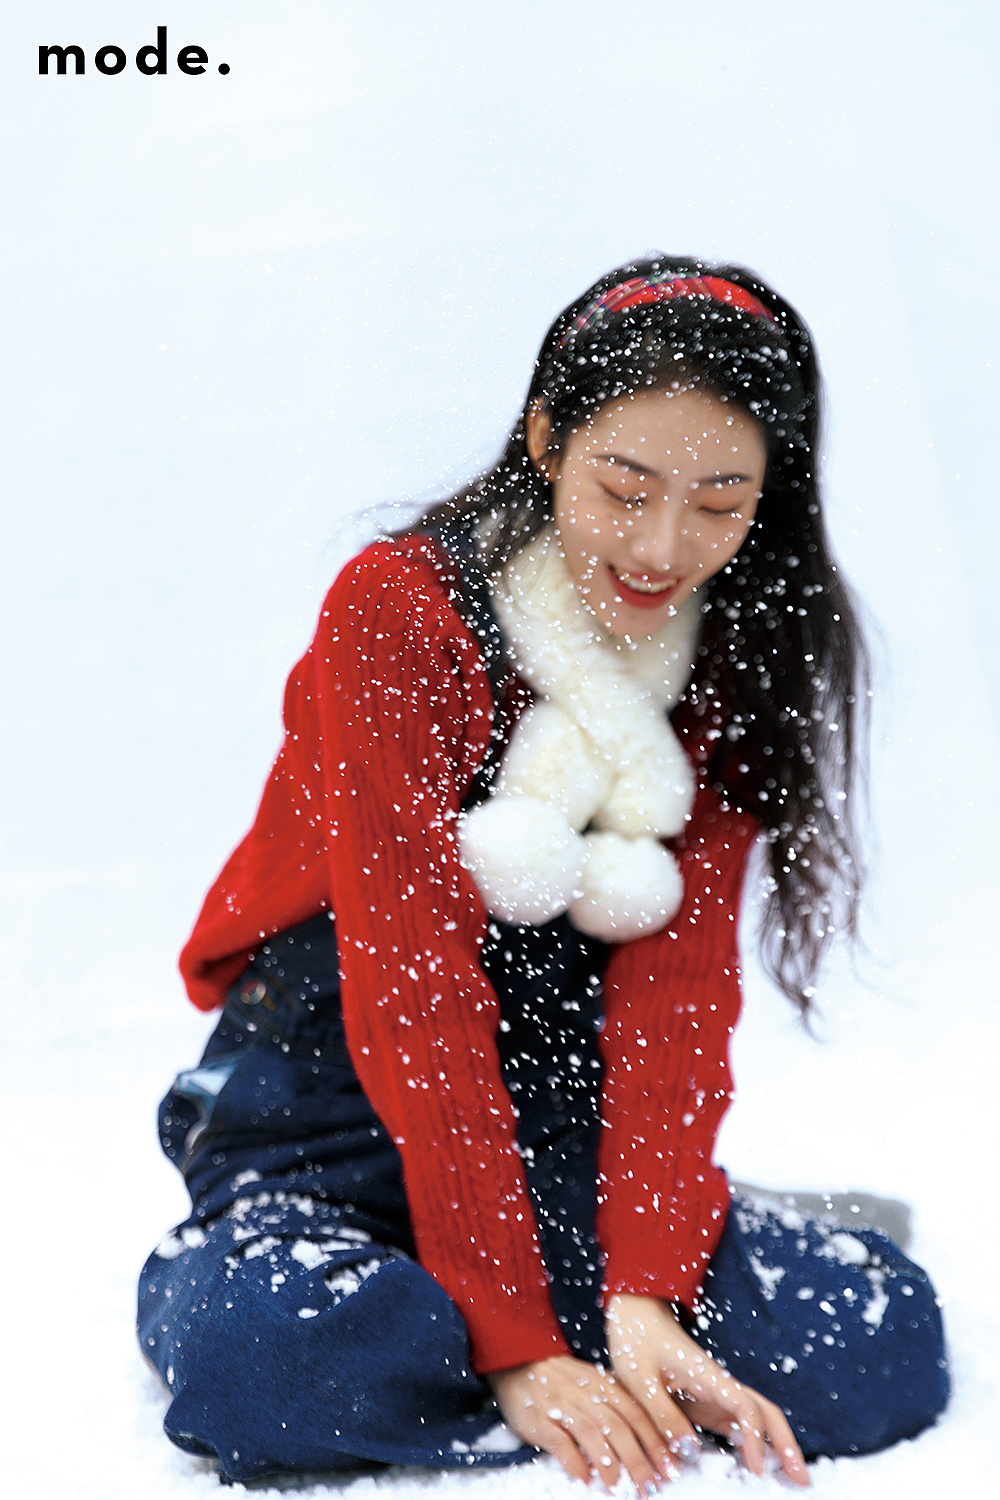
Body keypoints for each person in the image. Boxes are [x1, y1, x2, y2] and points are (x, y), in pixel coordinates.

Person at [138, 258, 949, 1490]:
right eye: (624, 487)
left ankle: (619, 1278)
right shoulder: (399, 615)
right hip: (327, 1093)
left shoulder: (728, 658)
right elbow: (411, 985)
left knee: (881, 1349)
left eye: (721, 503)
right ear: (544, 438)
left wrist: (647, 1286)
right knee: (260, 1366)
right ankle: (331, 1277)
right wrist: (516, 1342)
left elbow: (674, 1003)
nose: (664, 545)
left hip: (557, 1117)